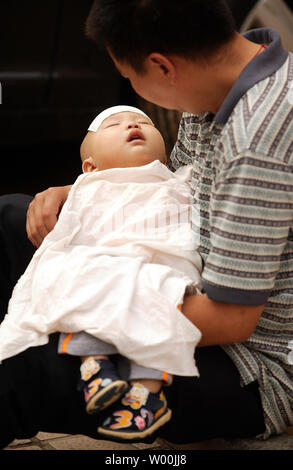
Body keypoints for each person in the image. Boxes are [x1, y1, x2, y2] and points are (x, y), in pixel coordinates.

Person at [1, 0, 292, 448]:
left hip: (250, 362)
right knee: (12, 218)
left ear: (161, 66)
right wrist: (77, 193)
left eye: (130, 79)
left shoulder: (256, 143)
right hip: (166, 271)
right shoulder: (220, 83)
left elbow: (232, 319)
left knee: (27, 362)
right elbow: (169, 190)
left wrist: (84, 298)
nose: (133, 95)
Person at [0, 105, 202, 442]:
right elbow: (61, 245)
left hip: (159, 267)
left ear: (166, 159)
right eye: (114, 125)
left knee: (159, 297)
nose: (132, 124)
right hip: (105, 266)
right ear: (90, 167)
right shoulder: (87, 187)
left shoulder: (181, 178)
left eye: (143, 123)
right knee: (82, 283)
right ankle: (96, 369)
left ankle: (147, 394)